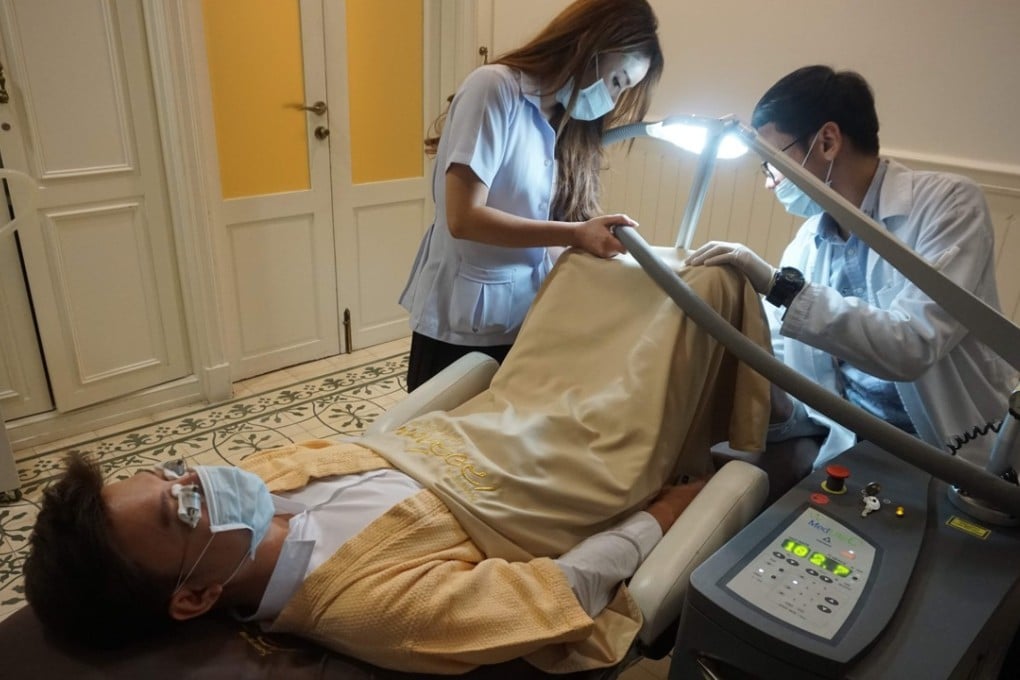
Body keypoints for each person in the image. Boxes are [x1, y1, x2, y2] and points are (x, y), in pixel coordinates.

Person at [23, 247, 773, 675]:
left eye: (173, 471)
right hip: (558, 472)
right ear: (193, 597)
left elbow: (386, 444)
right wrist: (662, 515)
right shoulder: (372, 609)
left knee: (585, 267)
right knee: (704, 289)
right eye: (181, 508)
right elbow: (559, 593)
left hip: (492, 419)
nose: (198, 482)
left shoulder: (262, 487)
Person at [685, 65, 1016, 470]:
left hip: (952, 452)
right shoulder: (808, 242)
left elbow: (910, 347)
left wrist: (778, 286)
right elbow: (784, 359)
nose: (770, 183)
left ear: (827, 141)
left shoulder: (949, 205)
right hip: (851, 441)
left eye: (771, 162)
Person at [399, 0, 664, 391]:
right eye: (617, 81)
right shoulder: (494, 89)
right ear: (591, 47)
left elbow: (550, 226)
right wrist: (575, 234)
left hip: (526, 318)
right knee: (438, 440)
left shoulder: (564, 120)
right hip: (461, 323)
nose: (611, 99)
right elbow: (463, 218)